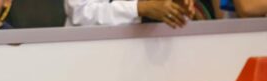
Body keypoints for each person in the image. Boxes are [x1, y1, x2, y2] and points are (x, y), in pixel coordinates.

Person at [64, 0, 195, 28]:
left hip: (149, 65)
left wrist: (177, 8)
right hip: (88, 59)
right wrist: (138, 8)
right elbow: (80, 13)